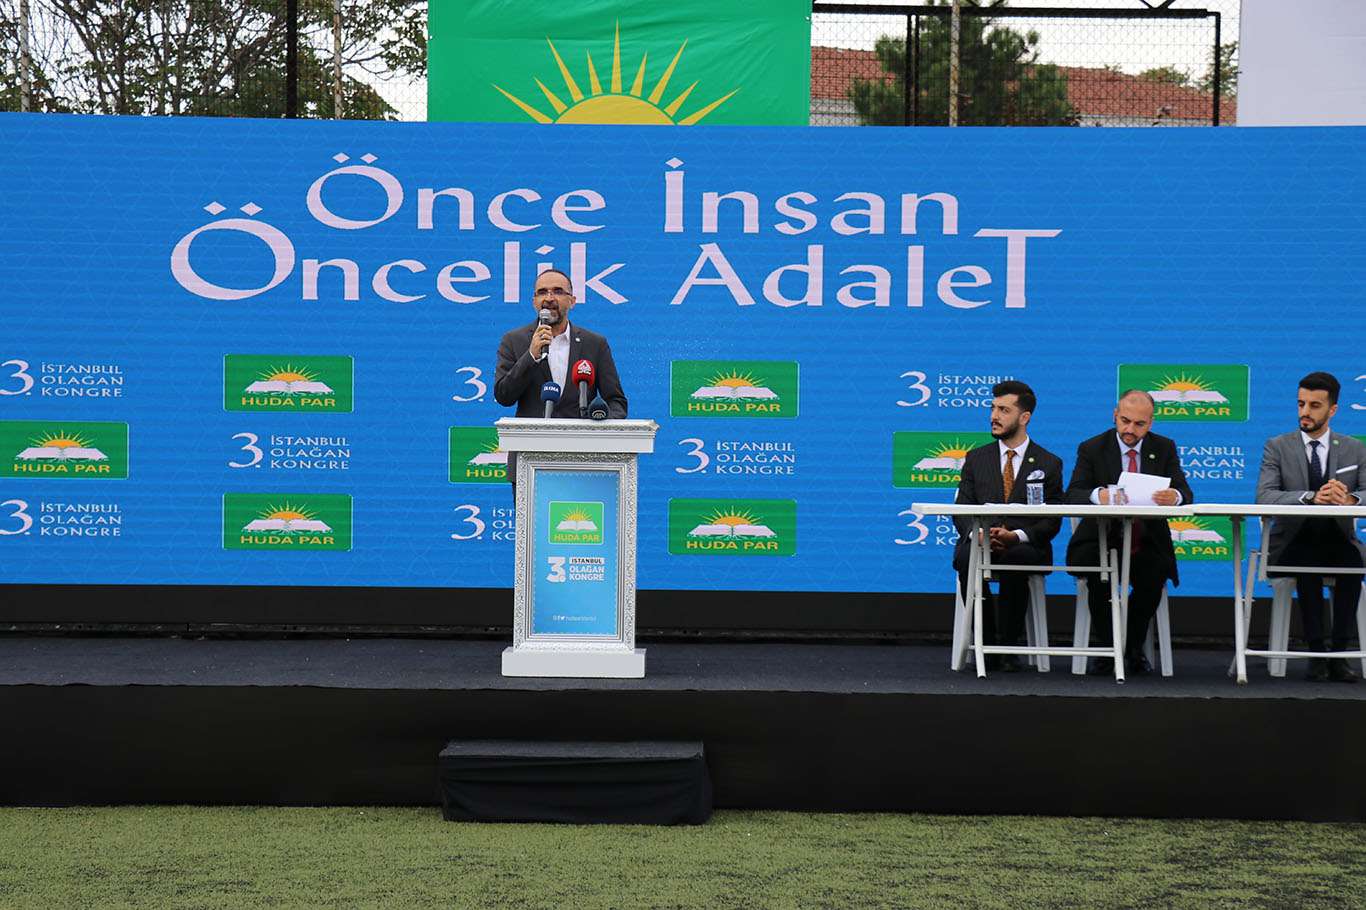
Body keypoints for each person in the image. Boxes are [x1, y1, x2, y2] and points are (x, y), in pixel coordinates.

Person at [1067, 389, 1193, 676]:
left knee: (1154, 574)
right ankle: (1107, 649)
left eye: (1139, 424)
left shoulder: (1164, 447)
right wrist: (1099, 495)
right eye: (1125, 421)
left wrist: (1174, 496)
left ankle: (1131, 648)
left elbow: (1186, 493)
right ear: (1115, 415)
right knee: (1099, 573)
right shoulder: (1092, 448)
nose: (1130, 430)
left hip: (1145, 541)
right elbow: (1072, 493)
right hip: (1100, 539)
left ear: (1151, 422)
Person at [1256, 371, 1366, 683]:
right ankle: (1317, 653)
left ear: (1333, 410)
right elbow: (1264, 496)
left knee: (1353, 563)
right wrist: (1310, 497)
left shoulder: (1355, 449)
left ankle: (1339, 656)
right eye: (1301, 404)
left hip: (1339, 539)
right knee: (1307, 562)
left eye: (1314, 405)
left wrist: (1350, 499)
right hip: (1292, 541)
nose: (1305, 411)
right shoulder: (1277, 446)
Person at [952, 380, 1066, 672]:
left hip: (1025, 545)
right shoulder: (976, 459)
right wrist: (976, 534)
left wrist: (1016, 536)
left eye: (1004, 410)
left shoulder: (1049, 463)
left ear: (1024, 417)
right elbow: (961, 509)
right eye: (993, 408)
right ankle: (986, 644)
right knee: (966, 558)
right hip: (981, 541)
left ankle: (1008, 645)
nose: (994, 416)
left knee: (1018, 557)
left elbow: (1053, 519)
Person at [494, 268, 628, 482]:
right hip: (529, 460)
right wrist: (531, 355)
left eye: (557, 291)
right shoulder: (514, 340)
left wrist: (598, 429)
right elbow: (504, 396)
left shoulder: (595, 344)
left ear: (572, 301)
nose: (549, 298)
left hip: (584, 460)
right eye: (542, 292)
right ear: (534, 301)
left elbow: (616, 402)